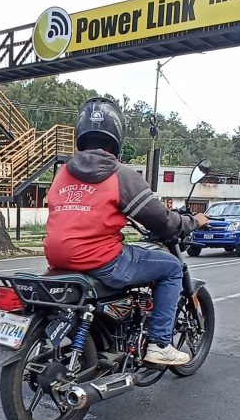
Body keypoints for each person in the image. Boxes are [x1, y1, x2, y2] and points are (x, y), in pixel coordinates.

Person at [43, 97, 209, 366]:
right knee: (170, 268)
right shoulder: (119, 173)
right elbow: (163, 221)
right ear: (116, 137)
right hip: (100, 260)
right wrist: (193, 221)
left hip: (57, 258)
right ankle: (159, 343)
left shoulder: (62, 173)